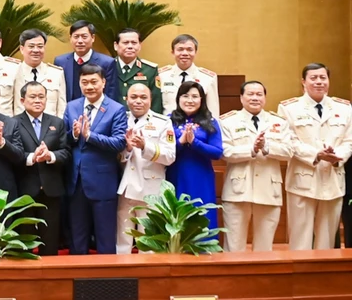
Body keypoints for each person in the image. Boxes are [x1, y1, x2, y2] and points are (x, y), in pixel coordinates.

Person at [278, 63, 352, 250]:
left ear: (328, 81)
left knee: (327, 239)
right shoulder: (289, 108)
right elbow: (289, 141)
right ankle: (300, 277)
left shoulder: (344, 108)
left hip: (333, 179)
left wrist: (338, 156)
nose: (318, 82)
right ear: (303, 82)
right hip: (302, 179)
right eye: (313, 78)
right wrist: (315, 155)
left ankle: (323, 278)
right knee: (300, 238)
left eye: (322, 78)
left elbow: (349, 141)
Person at [219, 81, 292, 252]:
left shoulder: (278, 122)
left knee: (265, 248)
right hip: (238, 191)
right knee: (234, 246)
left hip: (269, 189)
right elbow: (225, 152)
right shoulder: (228, 121)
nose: (254, 98)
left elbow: (289, 151)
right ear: (241, 98)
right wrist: (251, 149)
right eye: (250, 94)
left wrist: (266, 147)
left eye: (259, 94)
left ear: (265, 98)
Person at [63, 64, 128, 255]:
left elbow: (118, 143)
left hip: (102, 181)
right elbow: (64, 140)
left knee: (105, 236)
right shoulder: (72, 106)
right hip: (76, 181)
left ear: (103, 82)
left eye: (94, 82)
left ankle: (106, 279)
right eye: (85, 82)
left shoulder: (116, 109)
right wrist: (74, 134)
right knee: (77, 236)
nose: (89, 86)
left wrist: (90, 135)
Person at [6, 81, 70, 256]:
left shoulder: (57, 122)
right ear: (22, 100)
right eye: (32, 97)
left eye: (41, 97)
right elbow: (11, 153)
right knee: (24, 239)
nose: (37, 100)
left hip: (51, 188)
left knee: (50, 240)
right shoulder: (13, 123)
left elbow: (66, 152)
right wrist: (31, 157)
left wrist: (50, 156)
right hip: (24, 188)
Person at [116, 83, 176, 254]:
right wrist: (127, 149)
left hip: (150, 189)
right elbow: (116, 156)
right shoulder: (121, 119)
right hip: (126, 187)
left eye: (143, 97)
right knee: (123, 240)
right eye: (133, 97)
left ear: (151, 100)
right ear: (127, 99)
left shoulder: (163, 122)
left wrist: (145, 147)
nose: (138, 101)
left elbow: (170, 156)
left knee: (149, 243)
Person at [166, 81, 223, 229]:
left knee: (203, 216)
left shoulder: (210, 122)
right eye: (185, 96)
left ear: (201, 100)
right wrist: (181, 141)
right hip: (176, 176)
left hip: (201, 177)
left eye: (195, 96)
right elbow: (164, 150)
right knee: (177, 220)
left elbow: (217, 152)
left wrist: (194, 142)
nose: (190, 100)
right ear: (178, 98)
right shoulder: (168, 120)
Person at [55, 21, 121, 103]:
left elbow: (111, 95)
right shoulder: (60, 62)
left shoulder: (107, 63)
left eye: (84, 37)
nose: (80, 41)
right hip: (67, 112)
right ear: (70, 38)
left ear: (93, 38)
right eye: (76, 37)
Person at [156, 34, 220, 117]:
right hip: (168, 126)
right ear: (173, 52)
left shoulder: (208, 78)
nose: (185, 53)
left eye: (190, 50)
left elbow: (213, 111)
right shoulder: (161, 76)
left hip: (197, 127)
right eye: (180, 49)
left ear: (195, 52)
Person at [9, 29, 67, 118]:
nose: (36, 50)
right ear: (22, 49)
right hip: (21, 128)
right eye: (31, 46)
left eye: (40, 46)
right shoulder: (13, 71)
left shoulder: (56, 73)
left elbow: (61, 108)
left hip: (50, 128)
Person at [113, 28, 163, 113]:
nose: (130, 46)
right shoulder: (107, 67)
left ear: (140, 45)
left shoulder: (150, 70)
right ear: (116, 45)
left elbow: (155, 101)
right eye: (125, 43)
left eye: (134, 43)